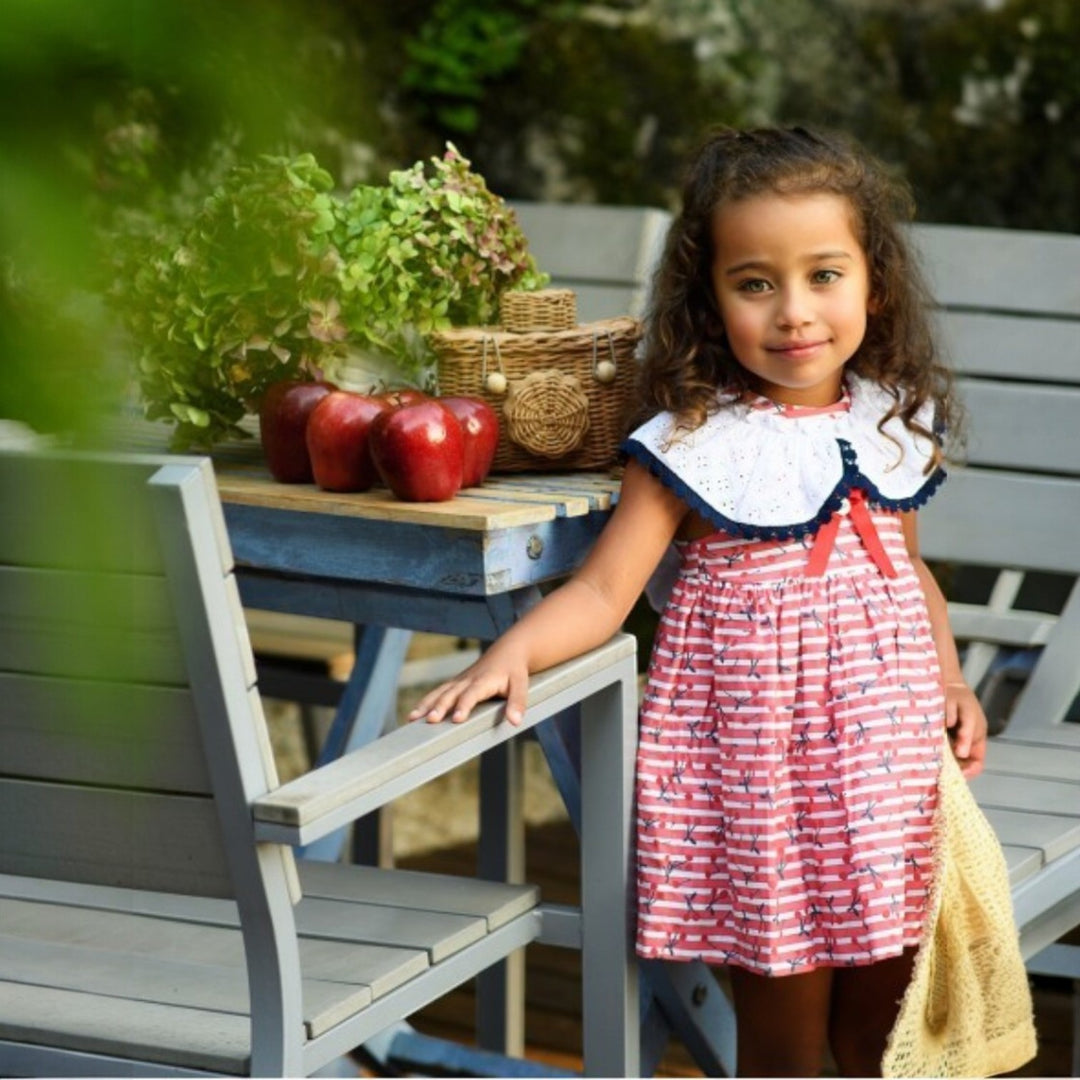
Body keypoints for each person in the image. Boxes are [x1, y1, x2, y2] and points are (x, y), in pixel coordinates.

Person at [410, 126, 989, 1077]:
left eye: (824, 275)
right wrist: (511, 652)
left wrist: (953, 682)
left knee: (883, 1034)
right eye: (755, 283)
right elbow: (603, 589)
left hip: (887, 774)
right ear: (710, 300)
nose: (794, 312)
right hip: (763, 787)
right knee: (784, 1046)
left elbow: (908, 570)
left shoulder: (888, 419)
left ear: (874, 284)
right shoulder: (691, 442)